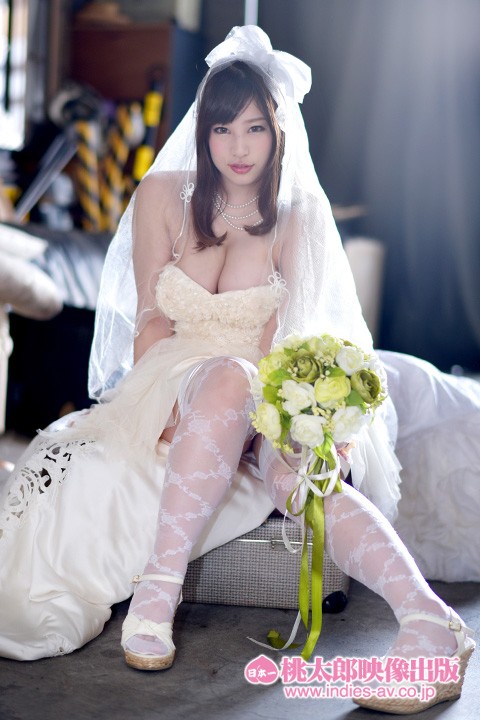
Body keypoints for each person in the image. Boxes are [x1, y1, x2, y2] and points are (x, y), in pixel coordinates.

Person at [0, 26, 475, 714]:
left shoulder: (297, 215)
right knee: (224, 376)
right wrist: (165, 407)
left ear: (278, 132)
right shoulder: (163, 194)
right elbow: (150, 322)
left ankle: (431, 623)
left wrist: (290, 424)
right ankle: (158, 593)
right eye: (222, 129)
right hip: (177, 371)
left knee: (297, 475)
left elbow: (290, 339)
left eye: (255, 128)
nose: (239, 147)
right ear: (204, 132)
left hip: (265, 380)